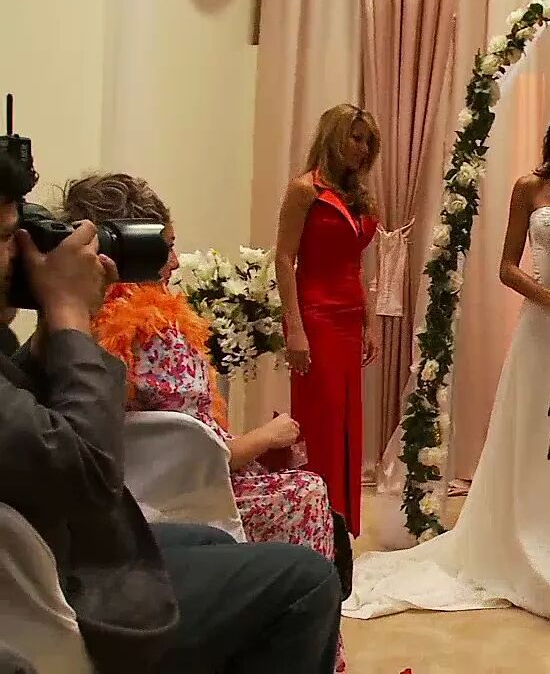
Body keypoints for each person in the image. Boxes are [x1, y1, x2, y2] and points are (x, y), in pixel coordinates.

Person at [0, 151, 341, 673]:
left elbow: (28, 416)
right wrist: (68, 313)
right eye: (7, 237)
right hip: (57, 589)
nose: (22, 255)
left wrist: (52, 331)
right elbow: (88, 476)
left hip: (56, 548)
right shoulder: (148, 330)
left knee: (208, 538)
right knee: (307, 579)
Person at [343, 91, 550, 628]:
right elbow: (506, 267)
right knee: (534, 440)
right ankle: (530, 550)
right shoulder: (529, 187)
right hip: (543, 328)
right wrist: (549, 297)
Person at [276, 104, 381, 537]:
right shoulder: (305, 190)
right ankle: (316, 523)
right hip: (316, 318)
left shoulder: (357, 196)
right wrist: (295, 328)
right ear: (334, 137)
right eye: (355, 138)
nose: (363, 148)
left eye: (368, 141)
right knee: (321, 422)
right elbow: (284, 259)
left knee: (347, 424)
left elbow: (355, 265)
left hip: (349, 318)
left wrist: (369, 322)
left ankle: (341, 527)